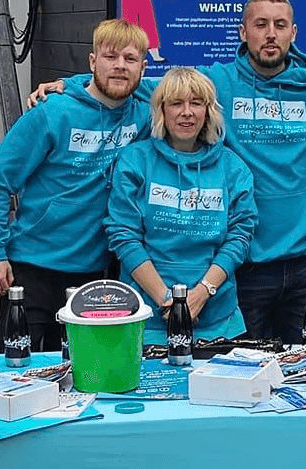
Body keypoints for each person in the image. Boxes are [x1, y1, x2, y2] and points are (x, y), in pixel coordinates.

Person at [38, 0, 306, 343]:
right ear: (243, 33)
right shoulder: (219, 81)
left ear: (294, 32)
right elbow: (140, 82)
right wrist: (73, 85)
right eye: (260, 24)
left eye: (279, 24)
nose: (270, 33)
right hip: (251, 265)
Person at [0, 18, 150, 354]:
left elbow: (179, 91)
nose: (119, 67)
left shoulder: (142, 113)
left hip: (96, 273)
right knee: (12, 369)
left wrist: (71, 81)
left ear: (142, 67)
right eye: (110, 57)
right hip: (33, 268)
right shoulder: (50, 113)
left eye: (129, 60)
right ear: (92, 60)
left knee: (81, 374)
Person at [105, 67, 258, 341]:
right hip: (146, 320)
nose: (186, 112)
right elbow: (123, 236)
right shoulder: (134, 161)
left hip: (217, 321)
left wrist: (200, 295)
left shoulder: (233, 168)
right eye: (176, 103)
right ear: (162, 110)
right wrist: (170, 302)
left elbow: (239, 238)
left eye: (196, 103)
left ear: (208, 111)